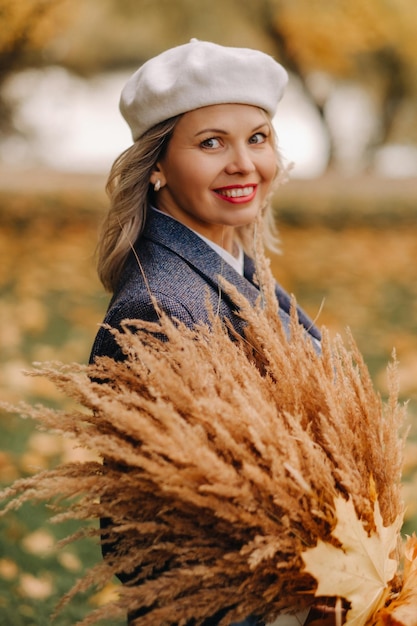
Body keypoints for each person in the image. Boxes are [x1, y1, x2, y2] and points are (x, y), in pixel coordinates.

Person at [90, 40, 322, 626]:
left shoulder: (233, 266)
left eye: (258, 137)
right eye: (211, 142)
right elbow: (150, 548)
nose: (244, 163)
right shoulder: (161, 311)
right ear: (159, 166)